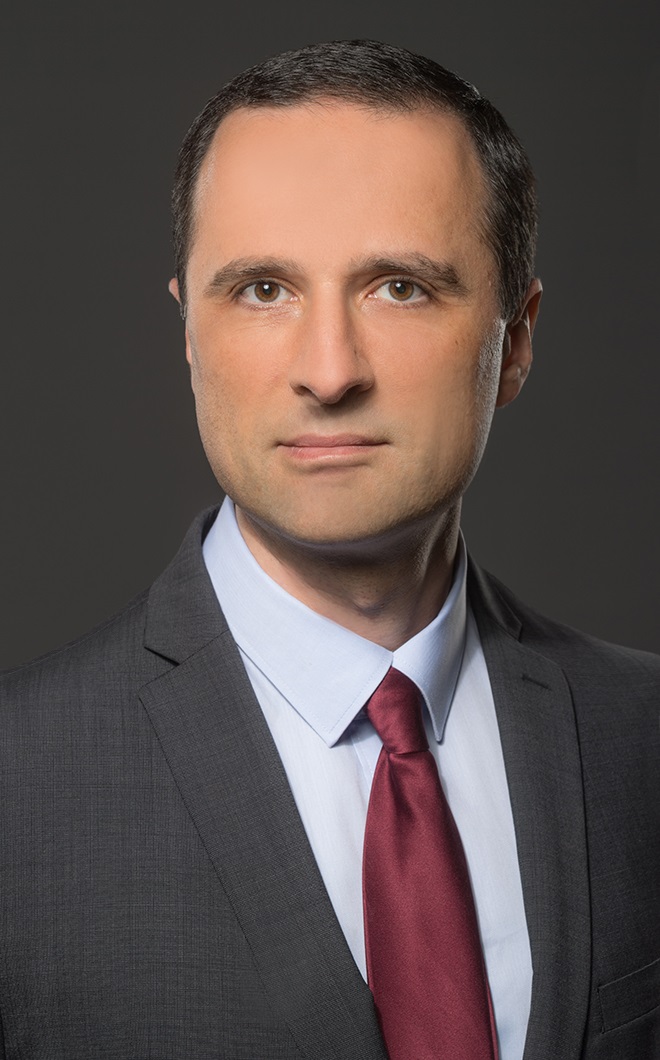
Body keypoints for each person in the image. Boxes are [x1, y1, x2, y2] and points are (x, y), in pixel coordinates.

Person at [0, 39, 657, 1060]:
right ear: (189, 334)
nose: (330, 370)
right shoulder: (18, 784)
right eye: (263, 289)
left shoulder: (641, 737)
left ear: (516, 338)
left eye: (400, 287)